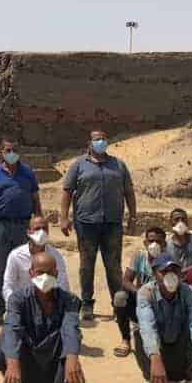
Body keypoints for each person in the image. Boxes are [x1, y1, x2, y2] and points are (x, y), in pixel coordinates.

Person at [60, 130, 136, 321]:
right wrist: (63, 217)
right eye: (97, 139)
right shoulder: (78, 165)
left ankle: (117, 304)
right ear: (90, 143)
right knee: (87, 265)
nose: (101, 142)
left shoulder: (118, 165)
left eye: (103, 138)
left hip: (112, 222)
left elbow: (129, 192)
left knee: (113, 266)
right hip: (86, 223)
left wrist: (133, 217)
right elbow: (67, 191)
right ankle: (86, 303)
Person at [0, 251, 85, 383]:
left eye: (49, 273)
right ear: (31, 273)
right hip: (27, 356)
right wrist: (12, 364)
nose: (45, 277)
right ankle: (12, 381)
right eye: (40, 272)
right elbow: (12, 328)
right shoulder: (17, 299)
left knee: (69, 342)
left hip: (52, 358)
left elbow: (70, 329)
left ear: (56, 274)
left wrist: (72, 358)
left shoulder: (69, 300)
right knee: (6, 335)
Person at [0, 138, 42, 323]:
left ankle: (23, 307)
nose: (11, 153)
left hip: (23, 226)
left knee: (24, 267)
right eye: (8, 150)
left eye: (14, 150)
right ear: (1, 152)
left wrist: (39, 226)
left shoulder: (28, 173)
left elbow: (36, 200)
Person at [134, 253, 192, 383]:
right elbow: (147, 326)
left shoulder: (190, 292)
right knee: (139, 331)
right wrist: (155, 357)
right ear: (154, 274)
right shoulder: (145, 292)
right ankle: (152, 379)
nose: (170, 276)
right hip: (159, 345)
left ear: (180, 274)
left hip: (179, 343)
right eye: (164, 272)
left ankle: (190, 377)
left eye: (174, 271)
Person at [111, 226, 166, 359]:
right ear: (145, 243)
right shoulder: (139, 256)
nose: (154, 244)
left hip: (161, 305)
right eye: (151, 241)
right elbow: (126, 280)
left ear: (164, 244)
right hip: (140, 300)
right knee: (120, 297)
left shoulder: (169, 260)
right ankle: (125, 340)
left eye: (158, 241)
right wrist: (139, 292)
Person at [2, 215, 70, 314]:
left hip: (48, 305)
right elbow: (8, 285)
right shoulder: (16, 256)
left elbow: (62, 282)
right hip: (23, 305)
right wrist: (14, 305)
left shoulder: (56, 255)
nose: (42, 232)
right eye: (37, 229)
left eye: (45, 228)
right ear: (29, 232)